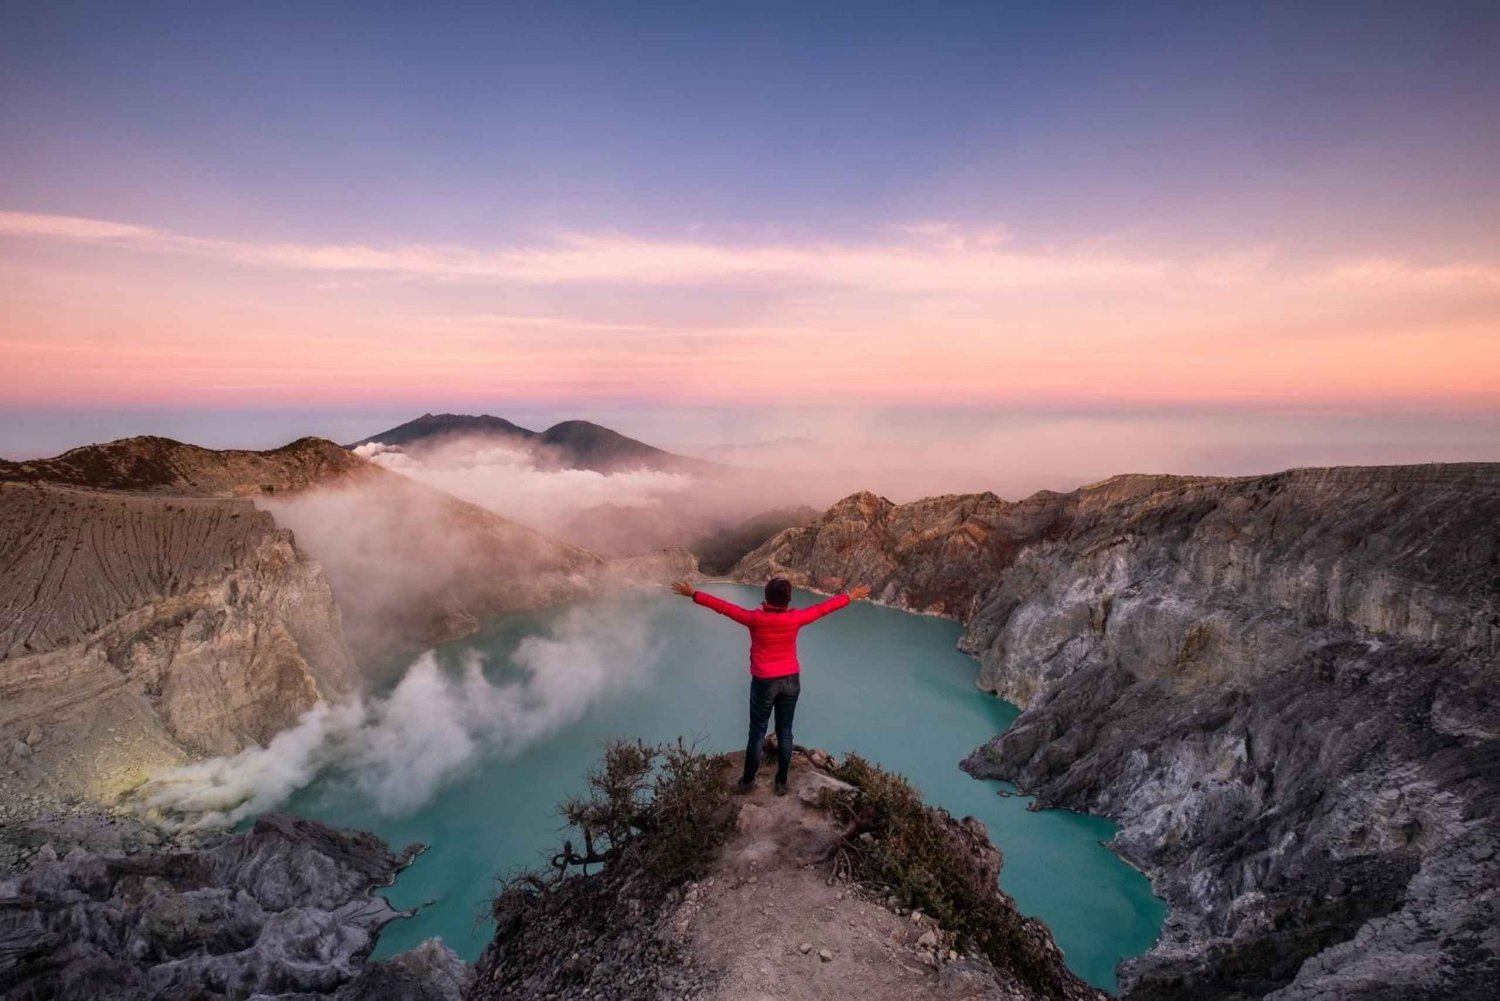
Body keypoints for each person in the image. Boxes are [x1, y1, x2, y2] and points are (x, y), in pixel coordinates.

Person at [671, 576, 871, 795]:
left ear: (766, 596)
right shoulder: (796, 617)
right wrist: (850, 595)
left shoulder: (755, 619)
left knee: (757, 732)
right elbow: (824, 608)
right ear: (788, 599)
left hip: (764, 682)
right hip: (791, 680)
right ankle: (781, 783)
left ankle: (747, 782)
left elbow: (725, 608)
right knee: (785, 732)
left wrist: (694, 594)